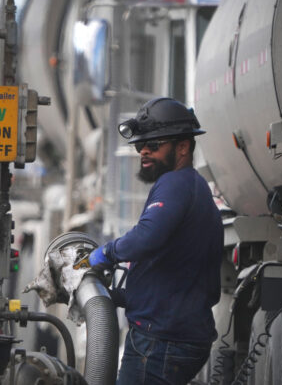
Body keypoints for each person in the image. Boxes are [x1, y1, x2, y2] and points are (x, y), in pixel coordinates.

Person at [88, 97, 223, 385]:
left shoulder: (174, 183)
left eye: (154, 144)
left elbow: (146, 238)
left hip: (161, 342)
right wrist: (123, 296)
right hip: (174, 337)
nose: (144, 151)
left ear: (183, 147)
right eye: (140, 145)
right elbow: (177, 267)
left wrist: (106, 252)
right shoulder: (193, 186)